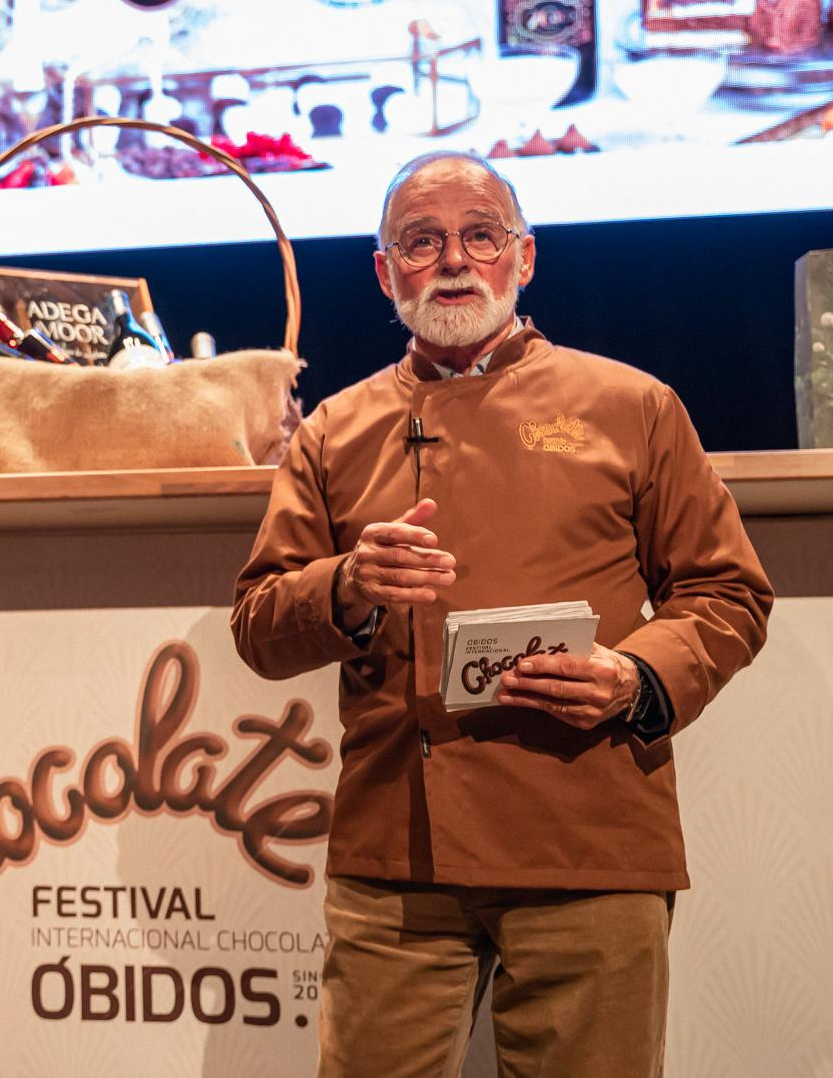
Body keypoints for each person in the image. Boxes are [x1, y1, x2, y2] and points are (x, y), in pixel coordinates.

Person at [231, 151, 770, 1077]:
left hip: (589, 834)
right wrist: (347, 585)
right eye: (422, 241)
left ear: (524, 257)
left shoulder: (633, 405)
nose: (453, 260)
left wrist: (635, 675)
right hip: (395, 853)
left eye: (480, 236)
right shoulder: (334, 431)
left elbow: (728, 592)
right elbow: (258, 623)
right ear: (384, 271)